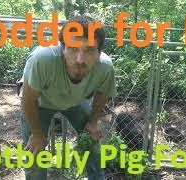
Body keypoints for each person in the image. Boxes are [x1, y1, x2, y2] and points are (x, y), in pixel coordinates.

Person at [19, 15, 117, 180]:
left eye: (90, 49)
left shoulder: (105, 67)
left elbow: (103, 93)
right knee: (34, 153)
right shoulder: (43, 59)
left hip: (76, 102)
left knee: (92, 142)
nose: (80, 59)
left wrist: (93, 121)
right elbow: (28, 99)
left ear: (99, 52)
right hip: (39, 104)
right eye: (73, 48)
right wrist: (36, 133)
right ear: (62, 47)